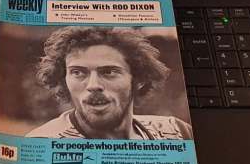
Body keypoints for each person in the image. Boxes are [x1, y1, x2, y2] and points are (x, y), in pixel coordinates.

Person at [25, 26, 193, 140]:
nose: (93, 85)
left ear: (139, 79)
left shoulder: (177, 131)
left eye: (109, 72)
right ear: (64, 80)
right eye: (77, 72)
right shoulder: (44, 141)